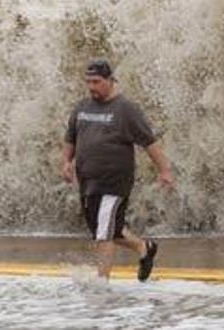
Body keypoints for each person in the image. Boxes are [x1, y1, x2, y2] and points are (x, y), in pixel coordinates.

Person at [61, 58, 174, 282]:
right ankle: (144, 248)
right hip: (88, 180)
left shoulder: (126, 110)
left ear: (110, 80)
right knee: (107, 229)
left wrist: (165, 171)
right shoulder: (81, 108)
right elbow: (70, 137)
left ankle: (101, 283)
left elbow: (149, 143)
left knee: (104, 231)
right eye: (88, 82)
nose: (92, 87)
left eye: (96, 81)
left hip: (114, 181)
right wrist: (66, 162)